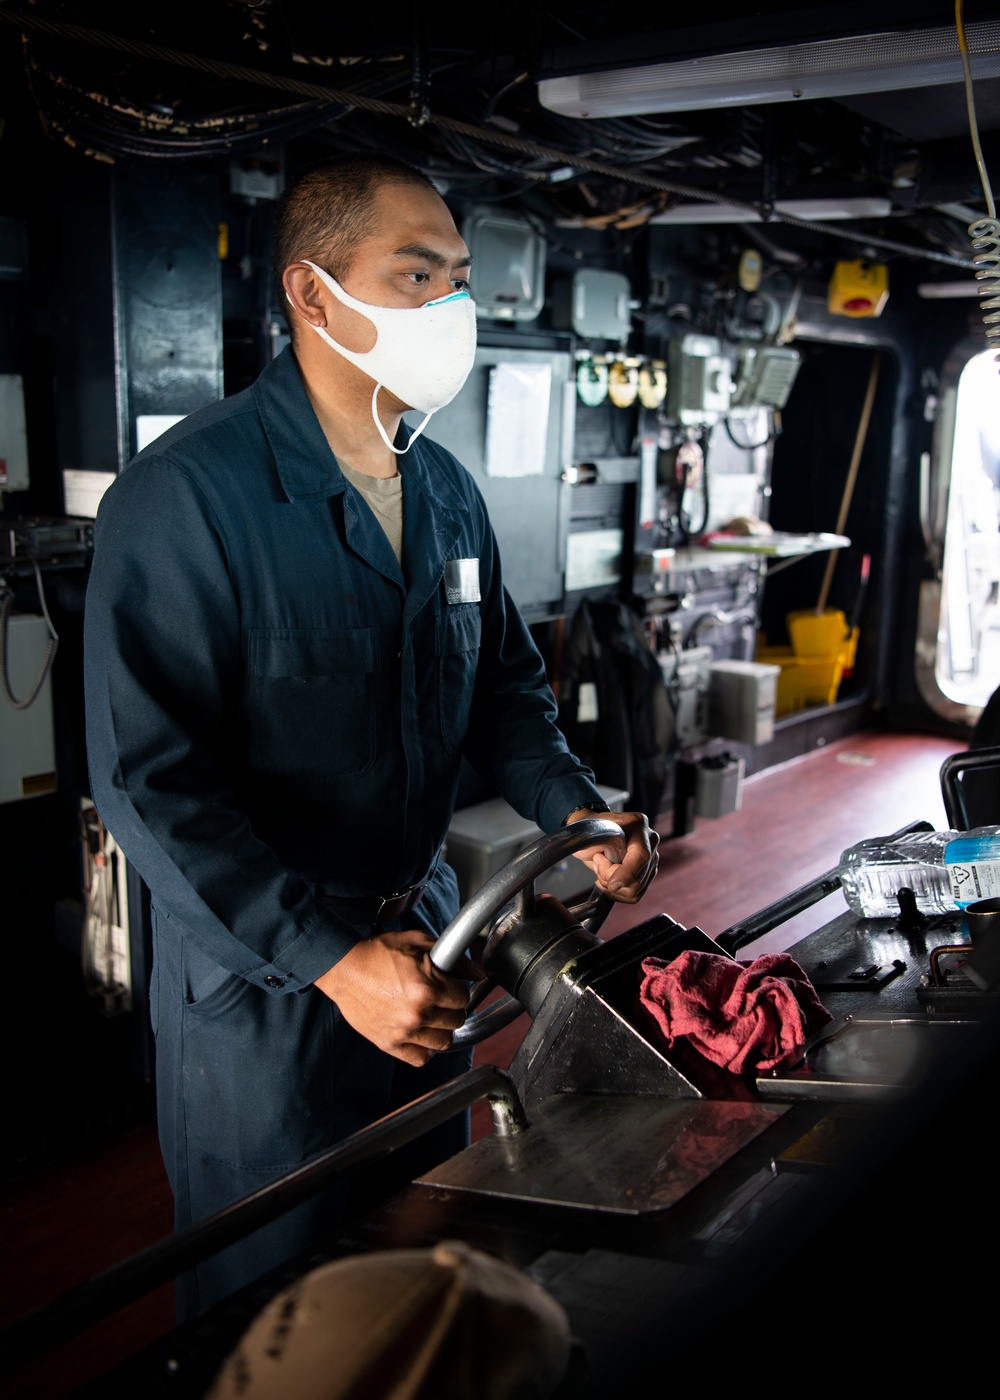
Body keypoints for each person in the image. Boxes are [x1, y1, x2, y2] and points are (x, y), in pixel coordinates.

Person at [84, 153, 658, 1318]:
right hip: (269, 989)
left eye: (458, 278)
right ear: (311, 293)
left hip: (428, 942)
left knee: (416, 1266)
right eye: (415, 273)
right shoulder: (186, 496)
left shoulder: (445, 491)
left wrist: (571, 805)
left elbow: (503, 693)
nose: (453, 308)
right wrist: (332, 960)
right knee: (279, 1307)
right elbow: (149, 784)